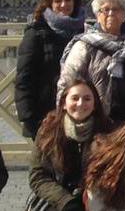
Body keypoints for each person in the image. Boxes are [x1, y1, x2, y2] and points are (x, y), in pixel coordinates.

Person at [58, 0, 125, 124]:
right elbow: (67, 84)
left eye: (116, 9)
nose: (111, 13)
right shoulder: (85, 45)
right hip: (93, 121)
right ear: (97, 16)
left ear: (124, 14)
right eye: (105, 10)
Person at [30, 79, 112, 211]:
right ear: (63, 103)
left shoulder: (107, 130)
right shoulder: (48, 131)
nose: (80, 103)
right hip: (57, 199)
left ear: (95, 104)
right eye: (75, 98)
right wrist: (65, 201)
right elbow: (37, 176)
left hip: (94, 199)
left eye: (87, 99)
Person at [17, 0, 85, 137]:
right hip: (45, 116)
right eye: (57, 1)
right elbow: (24, 78)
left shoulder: (84, 32)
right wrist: (29, 118)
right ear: (49, 4)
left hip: (77, 114)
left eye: (68, 0)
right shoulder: (36, 33)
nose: (63, 5)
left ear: (74, 2)